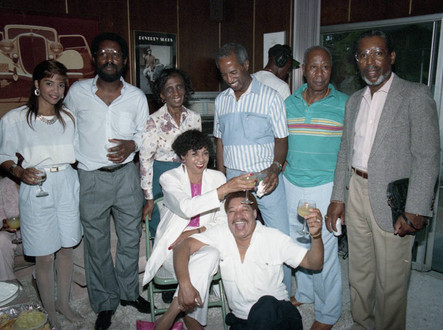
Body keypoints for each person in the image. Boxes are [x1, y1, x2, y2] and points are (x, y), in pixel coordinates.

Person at [325, 30, 439, 329]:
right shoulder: (354, 102)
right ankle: (362, 324)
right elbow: (344, 154)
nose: (369, 61)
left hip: (393, 198)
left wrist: (416, 207)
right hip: (356, 191)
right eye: (363, 55)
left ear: (391, 57)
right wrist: (338, 198)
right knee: (359, 271)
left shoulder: (415, 95)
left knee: (391, 278)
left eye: (377, 53)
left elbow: (427, 157)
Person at [64, 32, 149, 330]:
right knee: (96, 244)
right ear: (94, 59)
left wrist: (132, 145)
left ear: (124, 61)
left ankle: (128, 293)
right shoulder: (76, 93)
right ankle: (103, 303)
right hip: (91, 178)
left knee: (129, 239)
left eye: (115, 54)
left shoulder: (136, 97)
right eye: (103, 54)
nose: (109, 59)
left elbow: (145, 133)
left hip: (127, 177)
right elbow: (66, 128)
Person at [0, 60, 83, 329]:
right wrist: (20, 173)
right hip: (36, 186)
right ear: (36, 85)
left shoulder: (70, 118)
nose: (56, 90)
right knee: (45, 255)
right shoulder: (15, 119)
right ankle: (50, 313)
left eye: (60, 84)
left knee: (67, 247)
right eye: (49, 83)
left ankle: (63, 303)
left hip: (67, 181)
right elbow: (4, 157)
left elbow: (82, 152)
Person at [142, 130, 254, 329]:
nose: (201, 159)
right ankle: (192, 319)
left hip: (205, 241)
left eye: (204, 153)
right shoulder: (169, 178)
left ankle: (173, 312)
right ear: (182, 156)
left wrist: (196, 231)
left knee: (209, 254)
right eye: (194, 154)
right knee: (206, 262)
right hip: (173, 248)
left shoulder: (217, 177)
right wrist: (225, 190)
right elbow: (186, 207)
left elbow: (222, 219)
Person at [169, 191, 323, 330]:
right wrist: (185, 283)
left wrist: (316, 236)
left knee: (265, 305)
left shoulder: (273, 237)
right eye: (232, 211)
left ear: (254, 213)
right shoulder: (222, 233)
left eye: (244, 210)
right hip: (243, 321)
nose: (238, 216)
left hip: (278, 316)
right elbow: (183, 246)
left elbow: (314, 263)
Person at [213, 43, 292, 292]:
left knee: (280, 238)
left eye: (234, 72)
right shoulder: (221, 101)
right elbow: (220, 141)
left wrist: (275, 169)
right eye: (224, 74)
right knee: (237, 237)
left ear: (247, 65)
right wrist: (222, 176)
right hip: (235, 179)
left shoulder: (271, 97)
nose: (229, 79)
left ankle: (282, 295)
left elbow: (282, 139)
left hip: (265, 178)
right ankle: (243, 291)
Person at [283, 46, 347, 329]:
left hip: (326, 187)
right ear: (303, 70)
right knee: (298, 243)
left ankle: (328, 313)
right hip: (291, 184)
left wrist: (341, 195)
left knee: (327, 251)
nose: (319, 74)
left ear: (331, 70)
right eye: (313, 67)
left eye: (325, 67)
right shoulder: (289, 103)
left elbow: (351, 151)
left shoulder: (346, 104)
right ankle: (306, 292)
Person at [140, 68, 201, 238]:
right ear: (161, 95)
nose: (176, 92)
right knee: (163, 229)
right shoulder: (153, 121)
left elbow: (198, 155)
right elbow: (145, 162)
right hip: (161, 176)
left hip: (188, 177)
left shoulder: (194, 118)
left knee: (187, 228)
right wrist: (149, 198)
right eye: (169, 89)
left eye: (179, 87)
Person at [0, 176, 22, 281]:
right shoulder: (0, 187)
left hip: (41, 234)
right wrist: (3, 225)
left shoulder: (43, 182)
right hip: (17, 237)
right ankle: (8, 281)